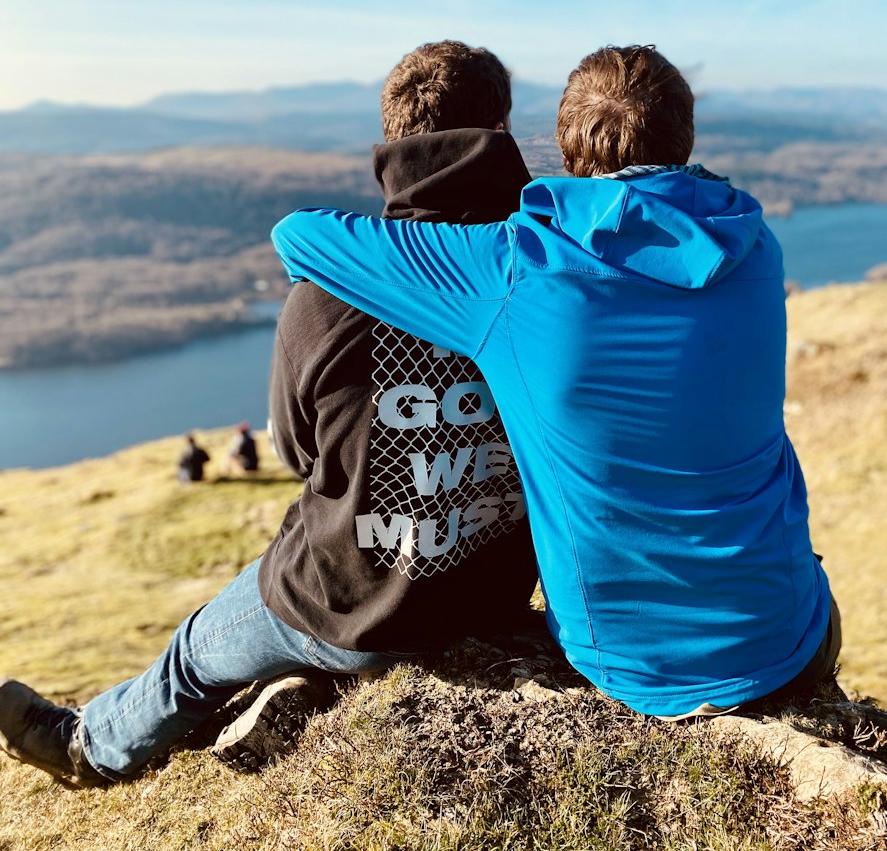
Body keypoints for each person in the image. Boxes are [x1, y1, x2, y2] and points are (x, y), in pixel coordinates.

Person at [0, 41, 537, 787]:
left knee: (192, 653)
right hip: (490, 591)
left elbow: (299, 451)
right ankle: (294, 685)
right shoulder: (543, 279)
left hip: (351, 605)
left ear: (388, 143)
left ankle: (85, 745)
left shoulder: (325, 296)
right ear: (501, 128)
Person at [266, 44, 839, 719]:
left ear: (566, 148)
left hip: (630, 665)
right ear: (684, 137)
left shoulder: (519, 268)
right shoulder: (750, 246)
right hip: (794, 634)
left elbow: (299, 235)